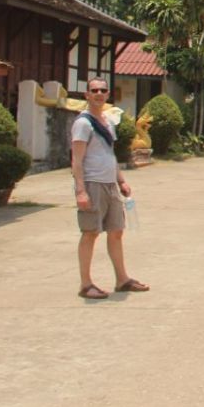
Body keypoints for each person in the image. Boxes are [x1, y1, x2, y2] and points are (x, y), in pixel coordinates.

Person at [72, 77, 148, 299]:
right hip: (92, 184)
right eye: (94, 90)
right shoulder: (83, 123)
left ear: (107, 94)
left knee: (116, 231)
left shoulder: (107, 122)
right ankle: (86, 284)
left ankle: (122, 279)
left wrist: (121, 180)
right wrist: (80, 190)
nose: (98, 94)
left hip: (109, 184)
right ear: (87, 95)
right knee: (90, 232)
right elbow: (76, 160)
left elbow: (109, 154)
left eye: (102, 90)